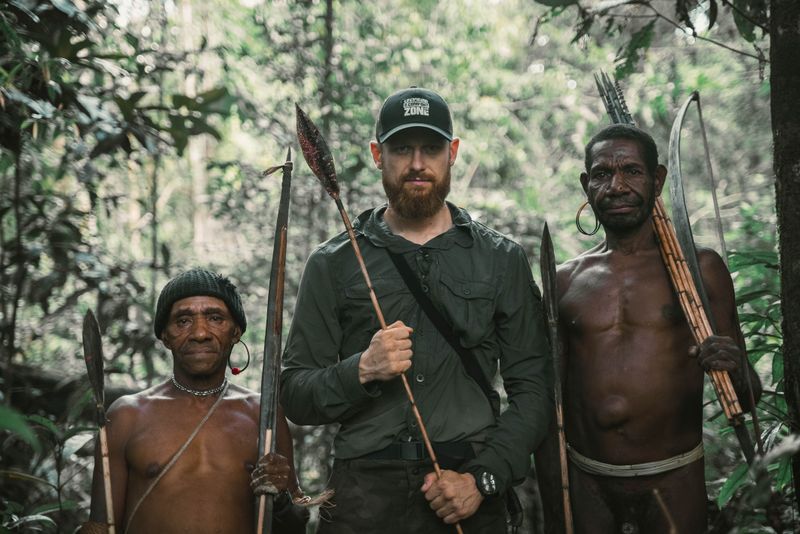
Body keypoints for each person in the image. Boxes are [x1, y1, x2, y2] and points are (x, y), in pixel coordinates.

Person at [280, 86, 553, 533]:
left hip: (466, 487)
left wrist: (483, 478)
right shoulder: (333, 262)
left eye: (431, 148)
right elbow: (294, 392)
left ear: (454, 152)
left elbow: (535, 391)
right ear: (376, 154)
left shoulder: (499, 259)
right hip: (363, 495)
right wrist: (362, 370)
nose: (418, 164)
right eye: (402, 149)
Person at [535, 124, 762, 534]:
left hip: (674, 478)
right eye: (602, 174)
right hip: (589, 482)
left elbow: (746, 399)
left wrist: (733, 367)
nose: (617, 185)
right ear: (587, 185)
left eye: (632, 171)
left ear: (657, 180)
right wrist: (557, 496)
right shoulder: (565, 280)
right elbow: (550, 405)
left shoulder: (700, 271)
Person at [81, 268, 309, 534]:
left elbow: (295, 526)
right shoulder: (126, 416)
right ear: (165, 336)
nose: (200, 333)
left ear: (235, 332)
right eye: (183, 321)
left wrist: (281, 500)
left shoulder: (264, 415)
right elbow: (100, 526)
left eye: (215, 318)